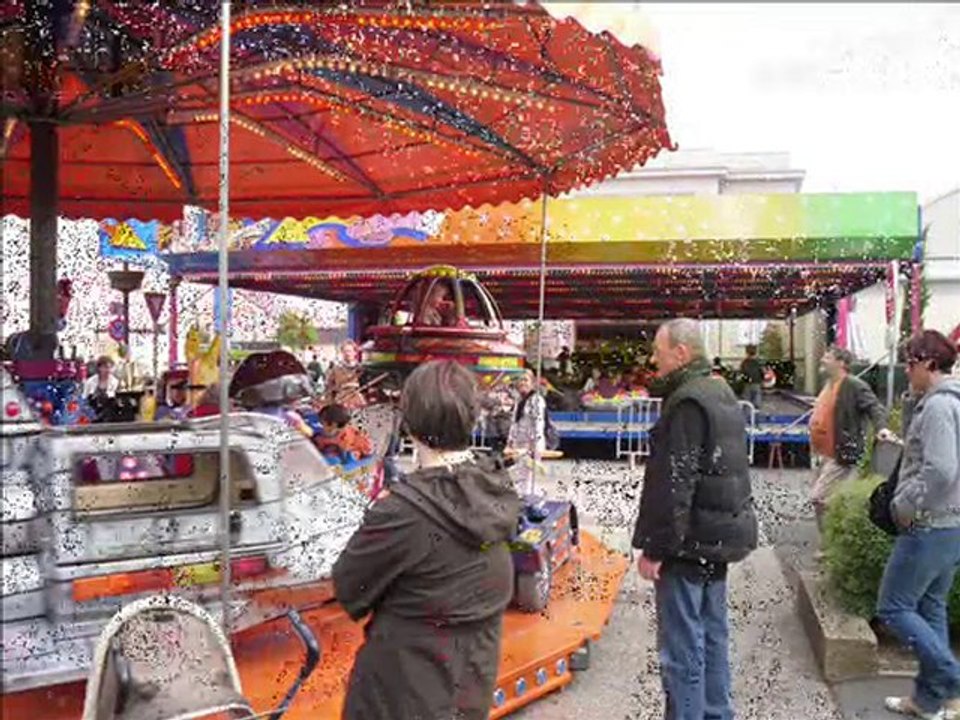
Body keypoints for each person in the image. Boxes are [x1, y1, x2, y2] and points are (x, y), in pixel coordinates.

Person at [332, 360, 523, 720]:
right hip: (470, 689)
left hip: (398, 696)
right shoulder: (494, 491)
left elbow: (349, 590)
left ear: (410, 424)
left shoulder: (402, 513)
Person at [632, 318, 758, 720]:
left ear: (681, 353)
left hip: (689, 543)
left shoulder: (686, 401)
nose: (654, 360)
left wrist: (655, 548)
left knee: (682, 649)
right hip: (717, 538)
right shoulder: (719, 390)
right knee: (713, 636)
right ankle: (717, 713)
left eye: (659, 352)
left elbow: (675, 483)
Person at [877, 330, 960, 720]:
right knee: (931, 607)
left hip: (928, 524)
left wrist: (906, 503)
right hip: (950, 525)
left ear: (930, 363)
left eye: (910, 362)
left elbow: (940, 469)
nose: (905, 370)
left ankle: (952, 678)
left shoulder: (940, 407)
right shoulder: (948, 402)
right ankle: (928, 702)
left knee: (893, 607)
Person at [809, 346, 894, 534]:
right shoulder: (828, 384)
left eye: (827, 357)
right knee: (828, 496)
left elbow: (874, 407)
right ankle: (833, 536)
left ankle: (832, 537)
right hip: (823, 453)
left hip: (841, 453)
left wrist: (881, 428)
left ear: (841, 363)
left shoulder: (854, 385)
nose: (822, 360)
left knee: (819, 497)